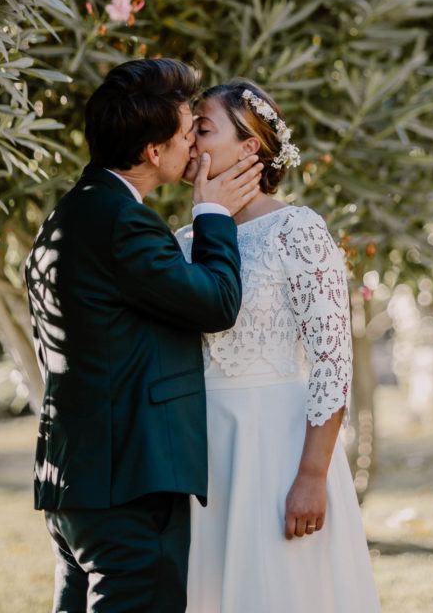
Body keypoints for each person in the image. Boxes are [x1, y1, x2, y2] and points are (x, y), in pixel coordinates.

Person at [24, 58, 262, 613]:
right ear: (155, 152)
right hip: (129, 485)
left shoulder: (68, 214)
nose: (195, 149)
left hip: (77, 481)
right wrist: (213, 216)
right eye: (186, 135)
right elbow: (216, 303)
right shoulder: (122, 223)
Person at [176, 78, 381, 613]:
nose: (189, 140)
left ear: (250, 147)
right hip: (204, 453)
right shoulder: (180, 242)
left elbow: (333, 363)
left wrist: (312, 476)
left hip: (278, 448)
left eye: (202, 127)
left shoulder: (298, 230)